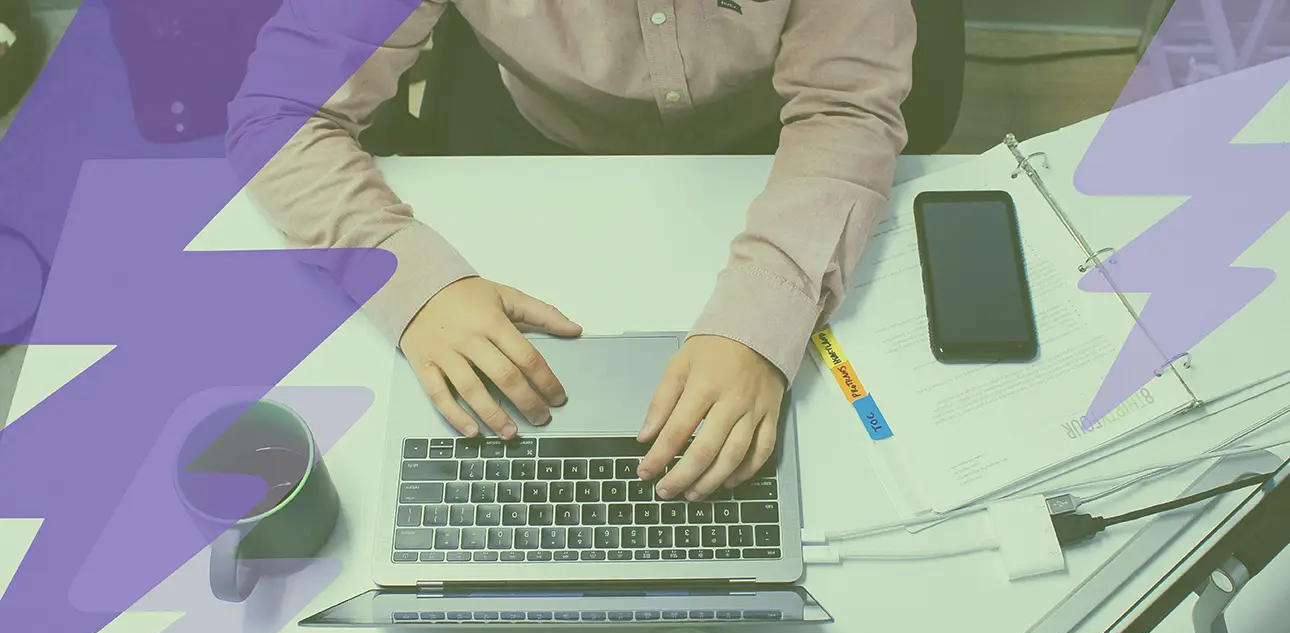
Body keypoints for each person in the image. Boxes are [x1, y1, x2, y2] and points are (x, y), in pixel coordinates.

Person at [230, 0, 915, 502]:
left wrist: (765, 314)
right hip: (539, 144)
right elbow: (279, 114)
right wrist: (412, 281)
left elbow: (845, 109)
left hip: (776, 154)